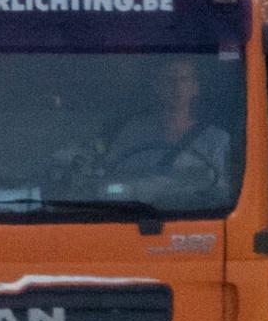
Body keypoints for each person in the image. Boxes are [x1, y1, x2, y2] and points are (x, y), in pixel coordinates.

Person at [99, 57, 233, 208]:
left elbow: (221, 191)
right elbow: (110, 180)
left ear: (195, 87)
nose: (177, 87)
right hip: (135, 216)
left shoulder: (216, 139)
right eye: (169, 80)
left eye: (184, 80)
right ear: (157, 86)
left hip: (195, 218)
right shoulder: (132, 133)